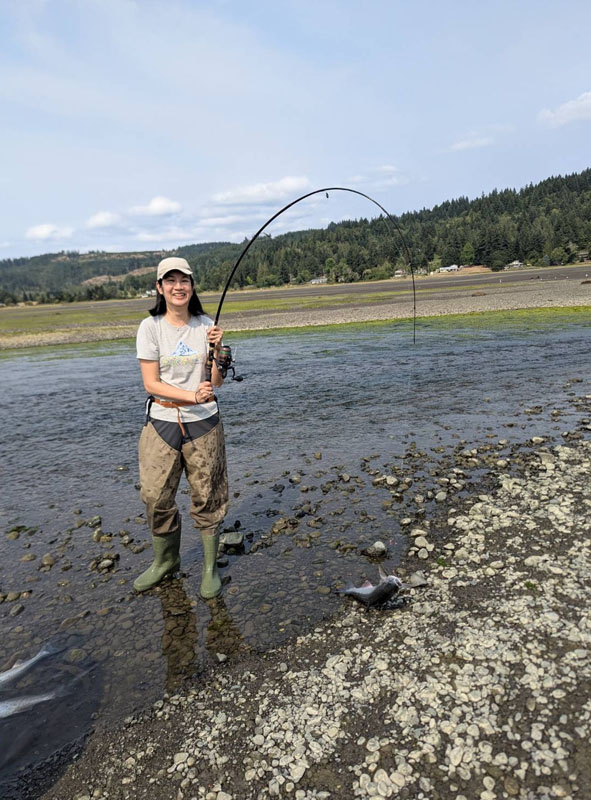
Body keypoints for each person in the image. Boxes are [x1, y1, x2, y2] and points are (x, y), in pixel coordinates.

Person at [134, 256, 228, 598]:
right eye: (170, 281)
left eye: (184, 280)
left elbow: (216, 381)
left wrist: (218, 350)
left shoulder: (206, 325)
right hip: (161, 422)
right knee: (156, 497)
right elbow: (151, 384)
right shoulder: (151, 327)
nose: (178, 286)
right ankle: (165, 562)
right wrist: (190, 395)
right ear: (160, 288)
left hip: (204, 423)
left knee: (209, 496)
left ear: (191, 285)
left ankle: (208, 569)